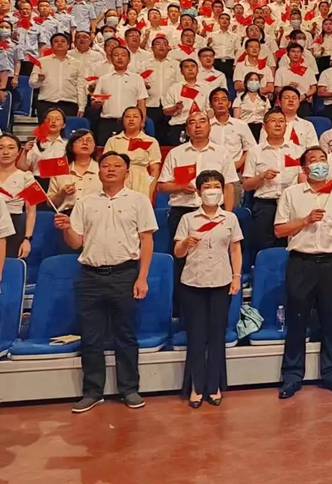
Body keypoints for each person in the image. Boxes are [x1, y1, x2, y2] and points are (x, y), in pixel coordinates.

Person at [54, 151, 158, 413]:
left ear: (127, 172)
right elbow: (76, 243)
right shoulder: (85, 202)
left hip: (125, 274)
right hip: (90, 276)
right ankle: (92, 392)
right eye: (106, 165)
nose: (111, 169)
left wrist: (142, 277)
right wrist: (67, 228)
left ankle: (129, 389)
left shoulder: (139, 201)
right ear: (99, 171)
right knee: (91, 337)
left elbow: (147, 241)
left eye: (117, 166)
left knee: (125, 335)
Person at [274, 146, 332, 398]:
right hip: (301, 262)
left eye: (323, 159)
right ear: (305, 169)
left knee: (330, 319)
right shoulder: (291, 194)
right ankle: (292, 376)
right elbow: (279, 230)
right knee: (297, 320)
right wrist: (305, 221)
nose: (320, 163)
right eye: (314, 160)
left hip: (329, 263)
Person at [173, 170, 243, 407]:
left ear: (222, 191)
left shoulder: (230, 219)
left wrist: (236, 277)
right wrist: (185, 243)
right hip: (193, 282)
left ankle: (213, 386)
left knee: (216, 336)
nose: (211, 191)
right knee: (195, 336)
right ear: (199, 191)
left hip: (221, 282)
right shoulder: (188, 219)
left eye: (216, 186)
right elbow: (178, 253)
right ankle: (196, 386)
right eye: (206, 187)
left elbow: (235, 250)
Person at [158, 112, 238, 242]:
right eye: (192, 122)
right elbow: (162, 186)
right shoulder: (175, 153)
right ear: (187, 130)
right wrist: (181, 187)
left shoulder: (222, 153)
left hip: (214, 213)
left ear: (210, 127)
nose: (198, 126)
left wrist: (227, 215)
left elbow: (228, 186)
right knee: (181, 252)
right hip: (182, 212)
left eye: (202, 121)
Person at [242, 109, 302, 266]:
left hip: (291, 205)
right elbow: (246, 185)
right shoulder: (255, 152)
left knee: (292, 248)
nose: (278, 124)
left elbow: (303, 179)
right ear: (264, 126)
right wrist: (261, 176)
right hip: (265, 205)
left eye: (281, 121)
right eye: (273, 121)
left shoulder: (297, 150)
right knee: (265, 248)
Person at [91, 46, 148, 146]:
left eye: (123, 55)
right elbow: (94, 103)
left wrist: (141, 124)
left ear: (129, 60)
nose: (120, 58)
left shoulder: (137, 79)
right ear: (111, 58)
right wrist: (96, 103)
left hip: (130, 123)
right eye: (116, 55)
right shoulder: (103, 79)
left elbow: (141, 103)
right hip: (107, 123)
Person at [103, 106, 162, 200]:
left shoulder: (151, 141)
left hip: (141, 182)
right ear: (122, 120)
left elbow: (155, 170)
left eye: (135, 116)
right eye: (127, 116)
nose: (131, 119)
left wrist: (150, 189)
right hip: (118, 181)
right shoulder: (113, 140)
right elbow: (105, 165)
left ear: (142, 121)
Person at [48, 129, 101, 212]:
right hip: (66, 214)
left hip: (95, 214)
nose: (85, 143)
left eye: (89, 140)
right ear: (71, 145)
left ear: (94, 146)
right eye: (80, 140)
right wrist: (62, 193)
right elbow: (50, 203)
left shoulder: (102, 170)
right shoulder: (59, 171)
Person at [0, 135, 34, 259]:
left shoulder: (27, 177)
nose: (5, 152)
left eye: (11, 147)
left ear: (19, 152)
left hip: (14, 226)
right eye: (0, 148)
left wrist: (27, 239)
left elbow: (31, 211)